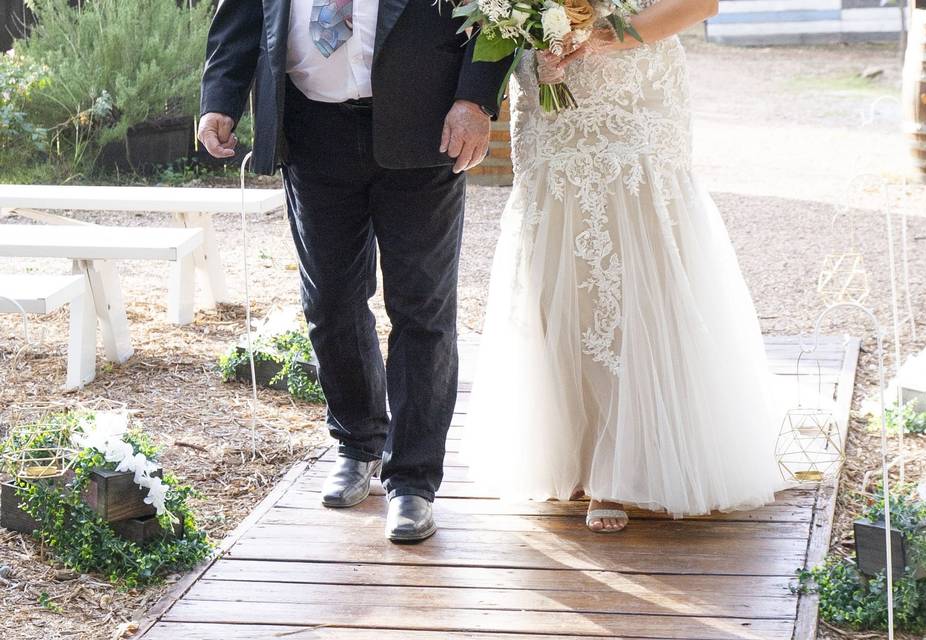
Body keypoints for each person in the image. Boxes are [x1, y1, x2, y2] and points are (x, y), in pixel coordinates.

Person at [464, 0, 785, 532]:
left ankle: (621, 462)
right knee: (555, 254)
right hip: (550, 94)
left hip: (636, 93)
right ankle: (570, 447)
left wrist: (609, 36)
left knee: (634, 255)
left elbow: (703, 3)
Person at [198, 0, 513, 542]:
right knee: (330, 302)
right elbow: (243, 15)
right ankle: (357, 444)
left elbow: (497, 14)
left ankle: (413, 481)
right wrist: (220, 100)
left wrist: (475, 98)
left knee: (421, 308)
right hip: (311, 130)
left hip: (423, 128)